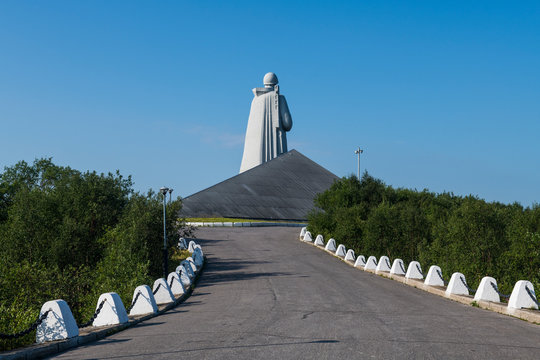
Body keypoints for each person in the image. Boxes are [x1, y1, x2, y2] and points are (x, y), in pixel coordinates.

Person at [239, 72, 293, 173]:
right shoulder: (279, 98)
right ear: (276, 84)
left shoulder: (255, 100)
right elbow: (288, 124)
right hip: (276, 156)